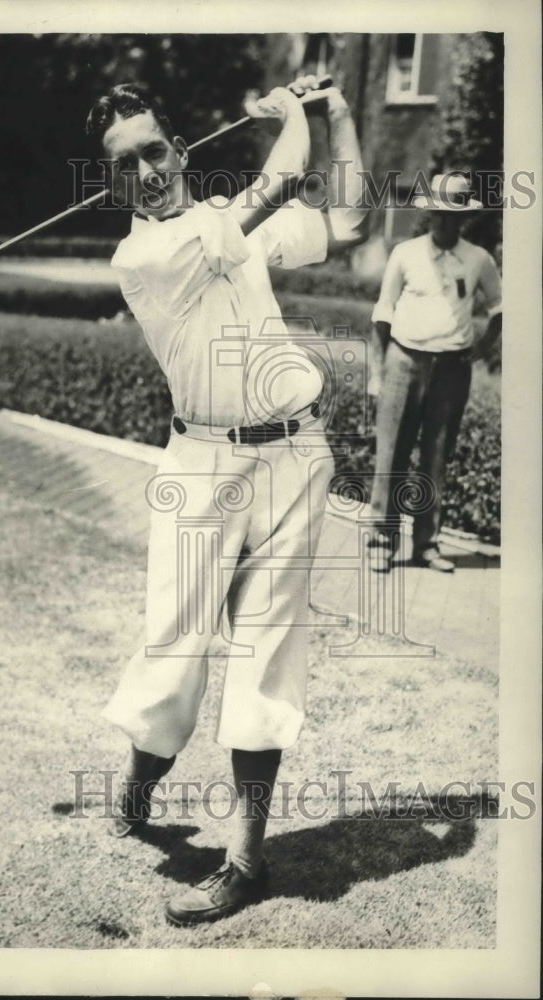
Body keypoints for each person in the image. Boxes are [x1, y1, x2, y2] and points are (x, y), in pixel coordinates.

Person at [85, 77, 367, 925]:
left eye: (154, 151)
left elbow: (348, 221)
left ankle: (245, 861)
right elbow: (278, 181)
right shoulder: (140, 257)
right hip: (200, 465)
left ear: (180, 151)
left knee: (265, 652)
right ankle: (139, 784)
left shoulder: (222, 227)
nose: (145, 172)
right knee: (175, 650)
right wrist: (290, 116)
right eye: (124, 164)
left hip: (293, 456)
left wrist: (336, 116)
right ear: (110, 183)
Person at [368, 173, 502, 573]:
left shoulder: (479, 259)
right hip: (403, 361)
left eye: (453, 215)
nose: (445, 221)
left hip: (451, 369)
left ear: (463, 218)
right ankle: (381, 540)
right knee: (391, 454)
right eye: (439, 214)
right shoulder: (405, 253)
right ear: (429, 214)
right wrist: (378, 370)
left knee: (437, 456)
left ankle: (426, 544)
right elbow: (382, 313)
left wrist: (480, 350)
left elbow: (499, 310)